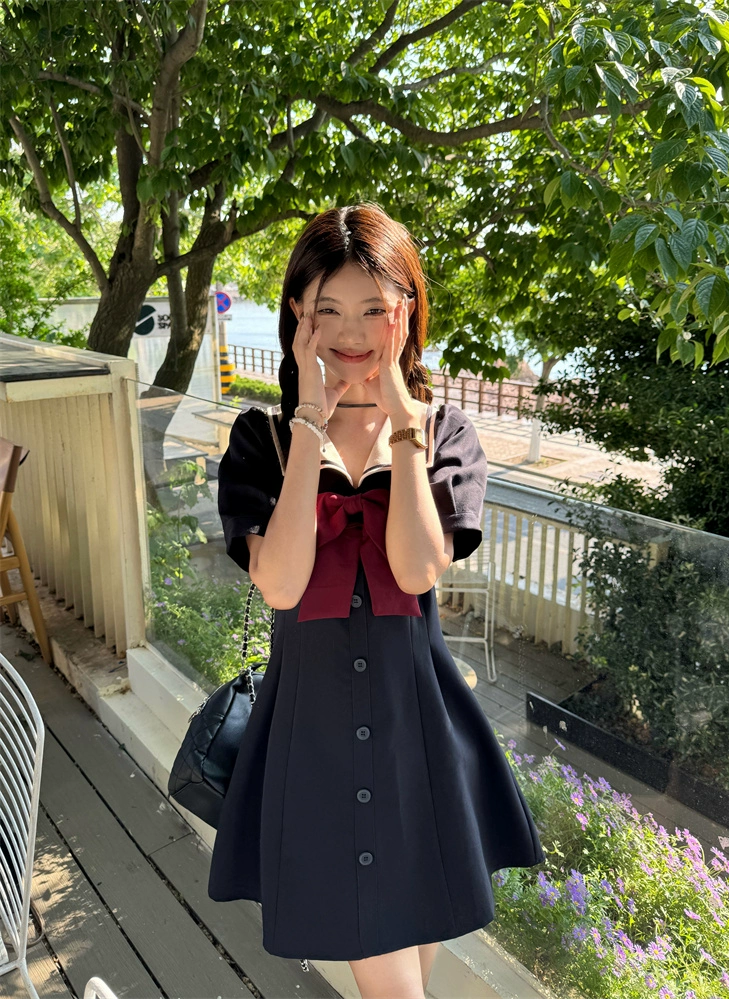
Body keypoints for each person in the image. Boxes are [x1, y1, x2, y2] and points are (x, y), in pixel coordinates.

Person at [207, 202, 545, 999]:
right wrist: (311, 423)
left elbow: (419, 569)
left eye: (373, 308)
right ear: (298, 311)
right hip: (313, 747)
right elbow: (281, 582)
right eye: (328, 309)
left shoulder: (444, 433)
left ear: (407, 311)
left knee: (408, 974)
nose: (351, 332)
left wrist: (401, 423)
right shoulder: (261, 439)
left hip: (419, 740)